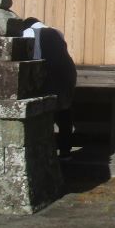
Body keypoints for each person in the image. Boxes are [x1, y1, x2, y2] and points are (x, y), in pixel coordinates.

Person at [21, 19, 77, 159]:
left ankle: (44, 151)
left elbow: (31, 56)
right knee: (64, 112)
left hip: (47, 74)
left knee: (45, 112)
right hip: (67, 73)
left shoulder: (28, 32)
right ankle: (65, 151)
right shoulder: (56, 32)